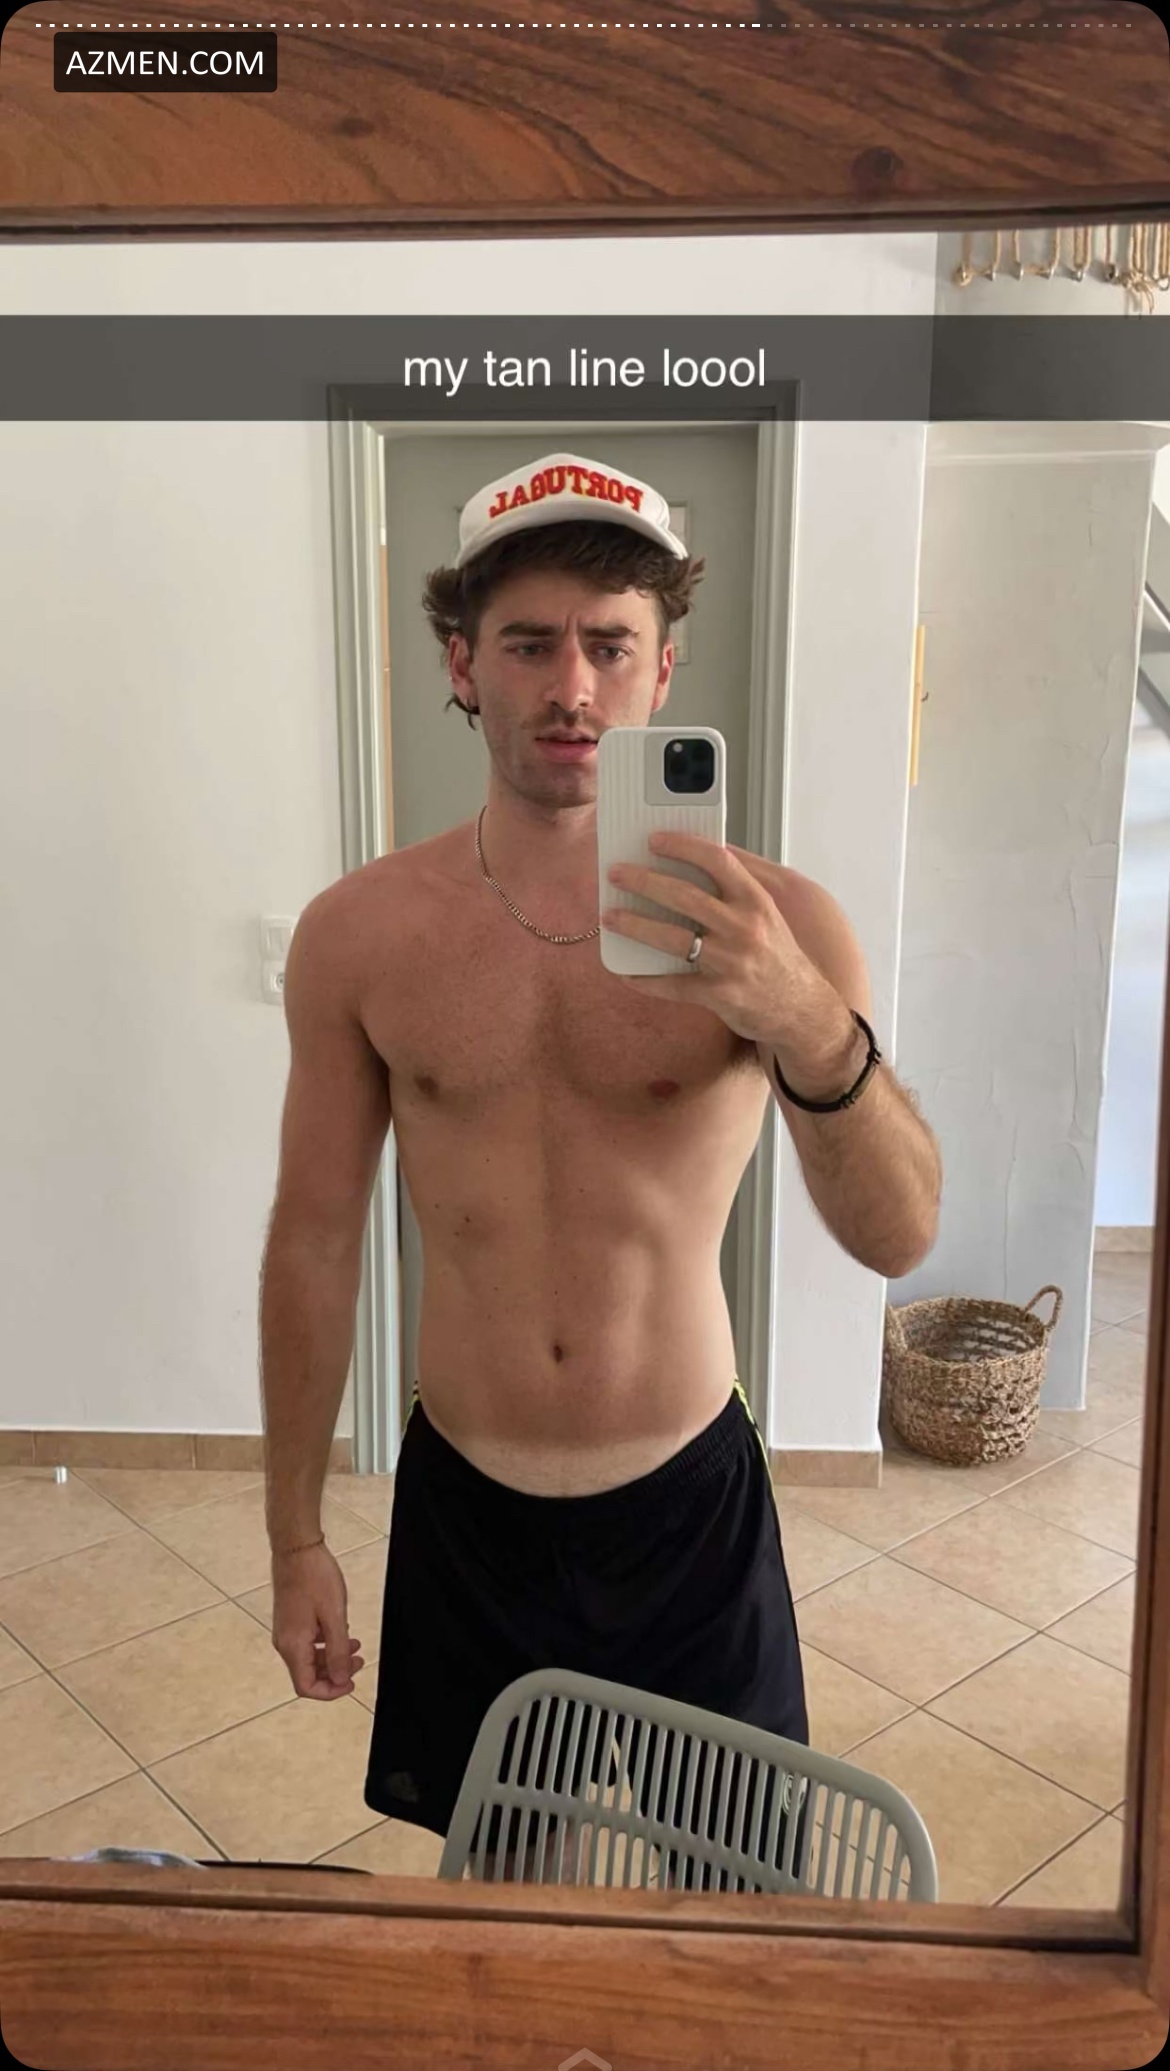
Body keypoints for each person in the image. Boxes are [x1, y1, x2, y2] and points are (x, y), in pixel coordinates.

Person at [259, 449, 942, 1877]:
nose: (571, 686)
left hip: (687, 1499)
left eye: (610, 645)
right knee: (501, 1894)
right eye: (528, 643)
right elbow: (314, 1240)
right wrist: (294, 1537)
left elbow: (898, 1236)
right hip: (466, 1505)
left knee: (728, 1894)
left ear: (663, 669)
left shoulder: (785, 925)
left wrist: (804, 1019)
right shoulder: (359, 934)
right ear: (462, 664)